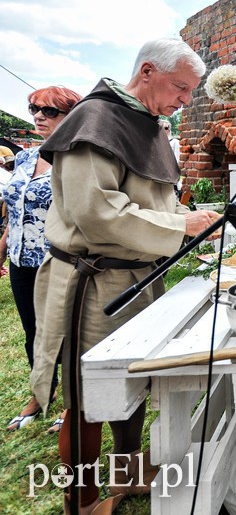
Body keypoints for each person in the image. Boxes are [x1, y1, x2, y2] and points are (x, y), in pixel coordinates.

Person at [30, 37, 220, 514]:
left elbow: (151, 199)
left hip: (137, 275)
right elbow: (96, 213)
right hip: (91, 282)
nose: (185, 100)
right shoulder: (95, 121)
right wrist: (180, 226)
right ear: (148, 71)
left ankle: (127, 473)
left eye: (190, 91)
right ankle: (83, 500)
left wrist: (191, 220)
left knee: (129, 378)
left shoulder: (146, 123)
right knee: (89, 393)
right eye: (180, 87)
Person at [2, 87, 83, 434]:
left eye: (49, 111)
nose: (38, 116)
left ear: (70, 117)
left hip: (57, 259)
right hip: (21, 259)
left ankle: (71, 404)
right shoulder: (24, 157)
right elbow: (15, 211)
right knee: (32, 331)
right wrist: (4, 245)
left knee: (63, 333)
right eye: (34, 109)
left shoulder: (77, 158)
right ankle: (40, 393)